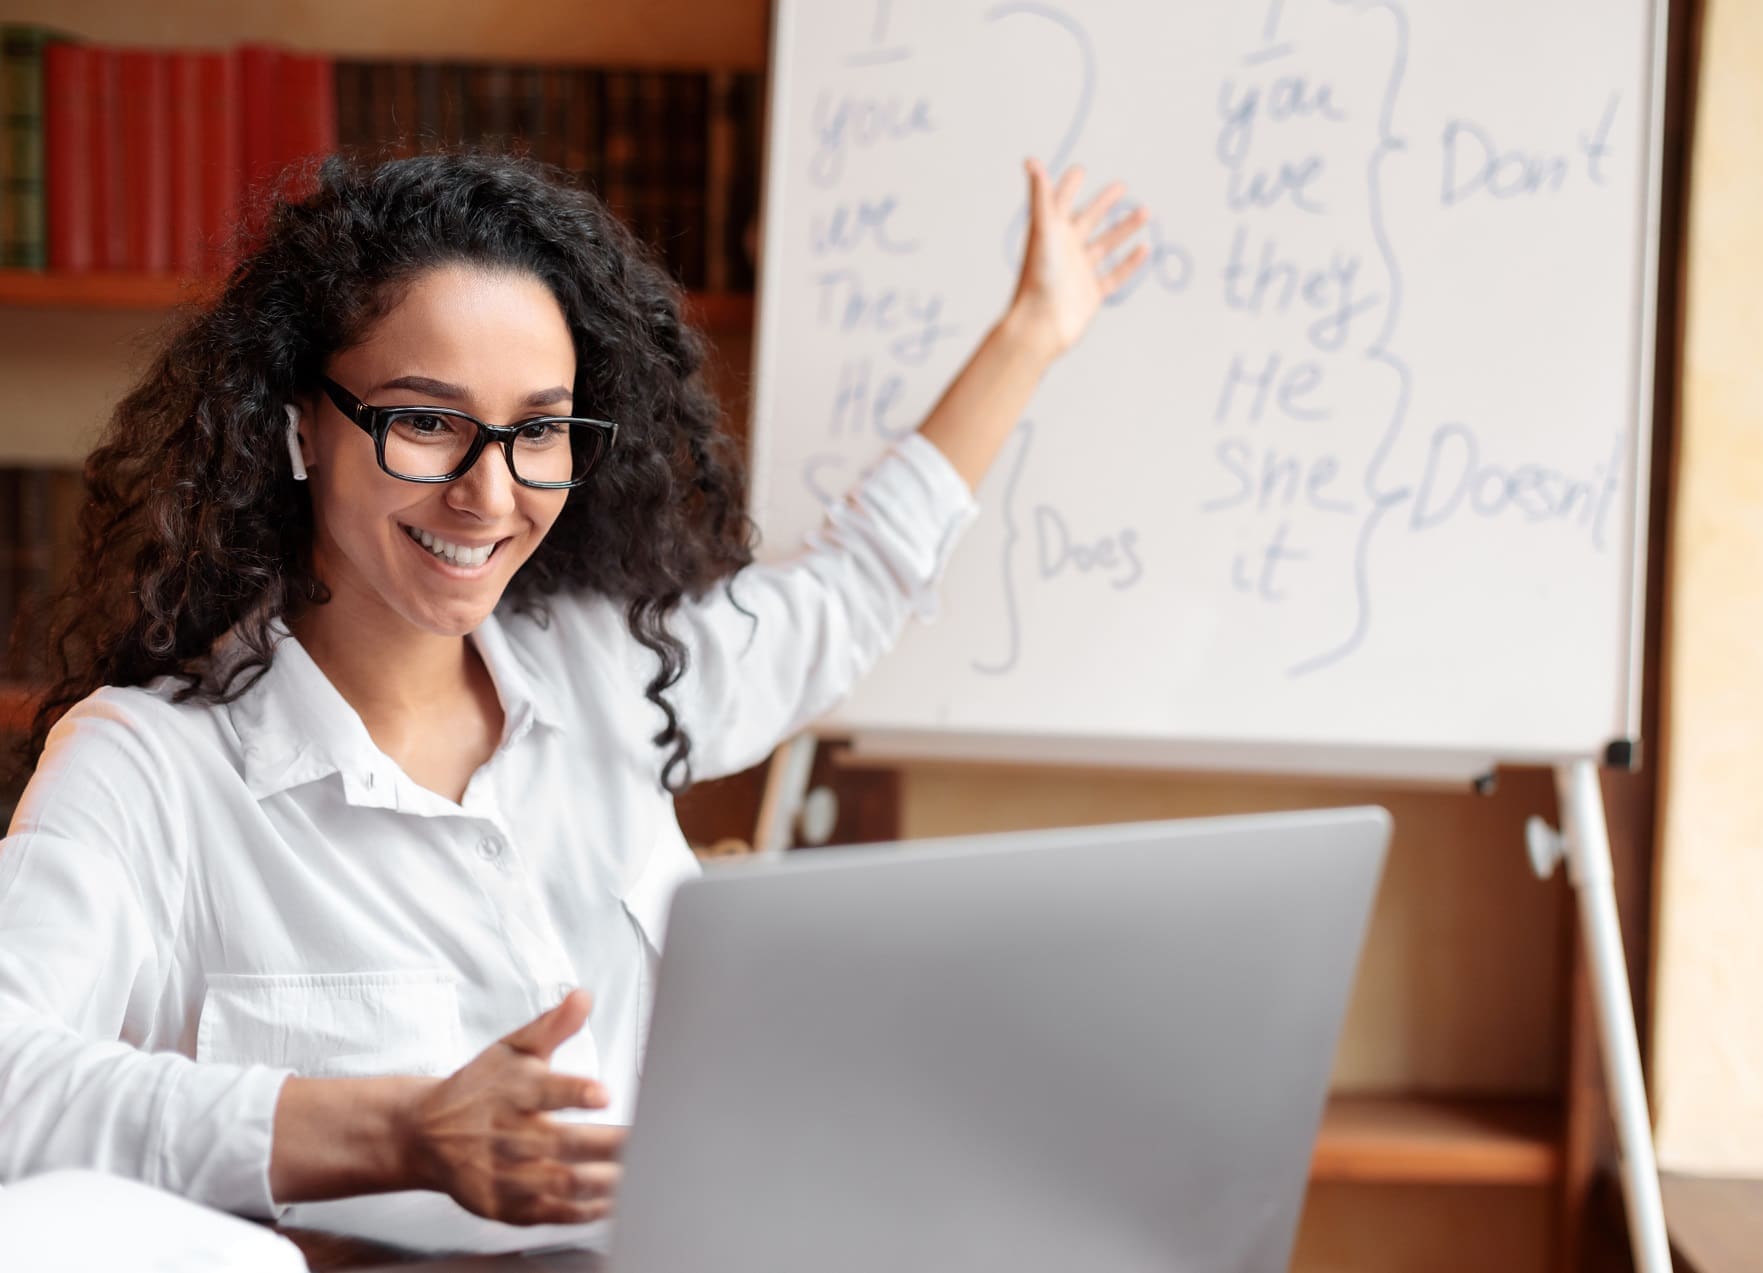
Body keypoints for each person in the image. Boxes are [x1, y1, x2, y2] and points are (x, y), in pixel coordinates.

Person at [0, 149, 1148, 1239]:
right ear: (300, 423)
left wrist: (1032, 333)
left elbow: (851, 590)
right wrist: (397, 1130)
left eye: (538, 430)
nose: (488, 495)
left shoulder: (609, 673)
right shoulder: (147, 767)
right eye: (428, 421)